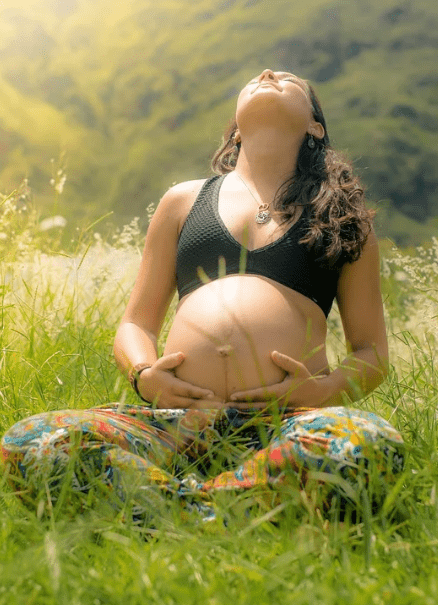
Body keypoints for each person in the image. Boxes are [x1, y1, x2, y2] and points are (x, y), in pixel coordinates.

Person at [1, 69, 404, 519]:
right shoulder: (184, 201)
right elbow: (136, 323)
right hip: (177, 424)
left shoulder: (342, 215)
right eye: (258, 77)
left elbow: (370, 351)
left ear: (315, 126)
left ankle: (168, 508)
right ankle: (234, 506)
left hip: (288, 423)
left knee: (366, 443)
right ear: (234, 127)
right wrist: (144, 376)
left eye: (289, 79)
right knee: (32, 440)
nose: (269, 74)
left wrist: (324, 391)